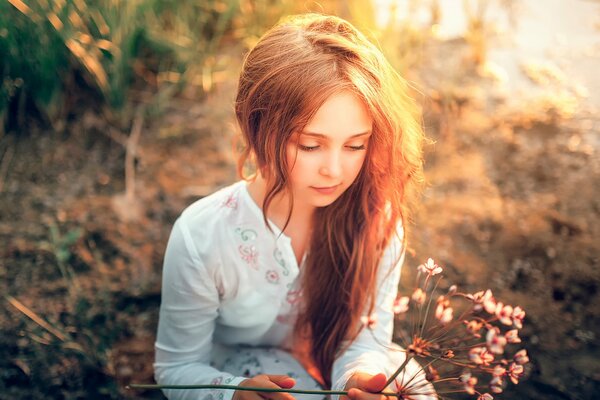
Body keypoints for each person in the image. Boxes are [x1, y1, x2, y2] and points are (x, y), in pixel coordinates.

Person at [154, 13, 434, 400]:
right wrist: (234, 393)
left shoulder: (376, 218)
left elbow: (364, 340)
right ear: (255, 127)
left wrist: (358, 380)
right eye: (309, 145)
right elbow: (176, 369)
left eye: (356, 145)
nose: (335, 170)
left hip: (337, 358)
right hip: (242, 370)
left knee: (412, 390)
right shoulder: (203, 235)